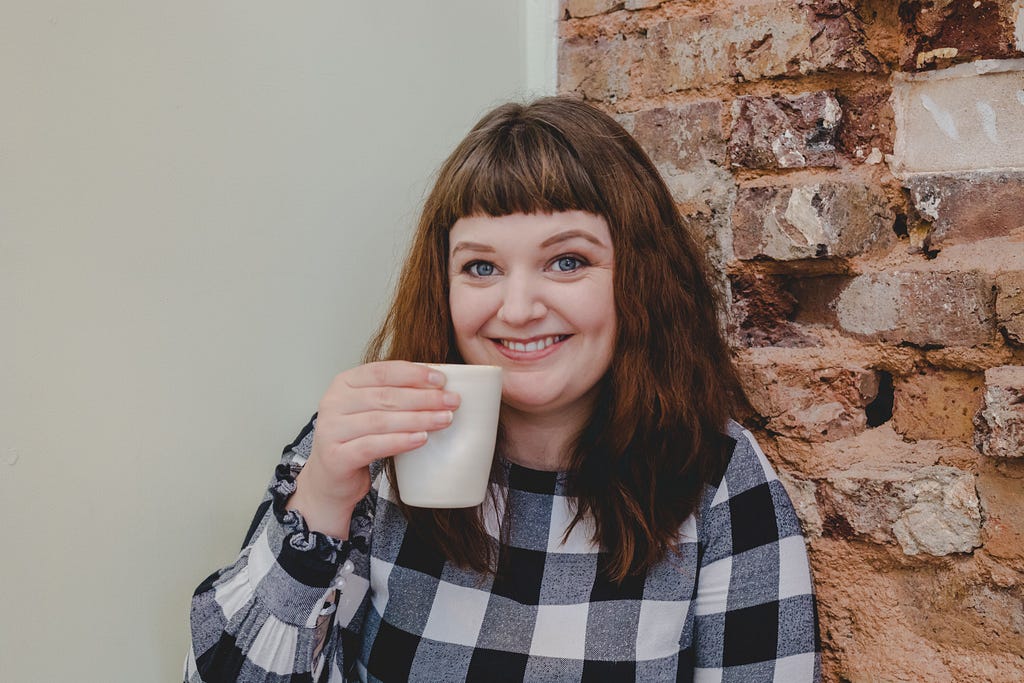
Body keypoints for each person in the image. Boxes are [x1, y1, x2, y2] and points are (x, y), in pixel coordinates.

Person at [185, 96, 820, 682]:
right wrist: (321, 501)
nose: (517, 309)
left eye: (566, 261)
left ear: (639, 278)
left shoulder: (716, 480)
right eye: (481, 267)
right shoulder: (368, 449)